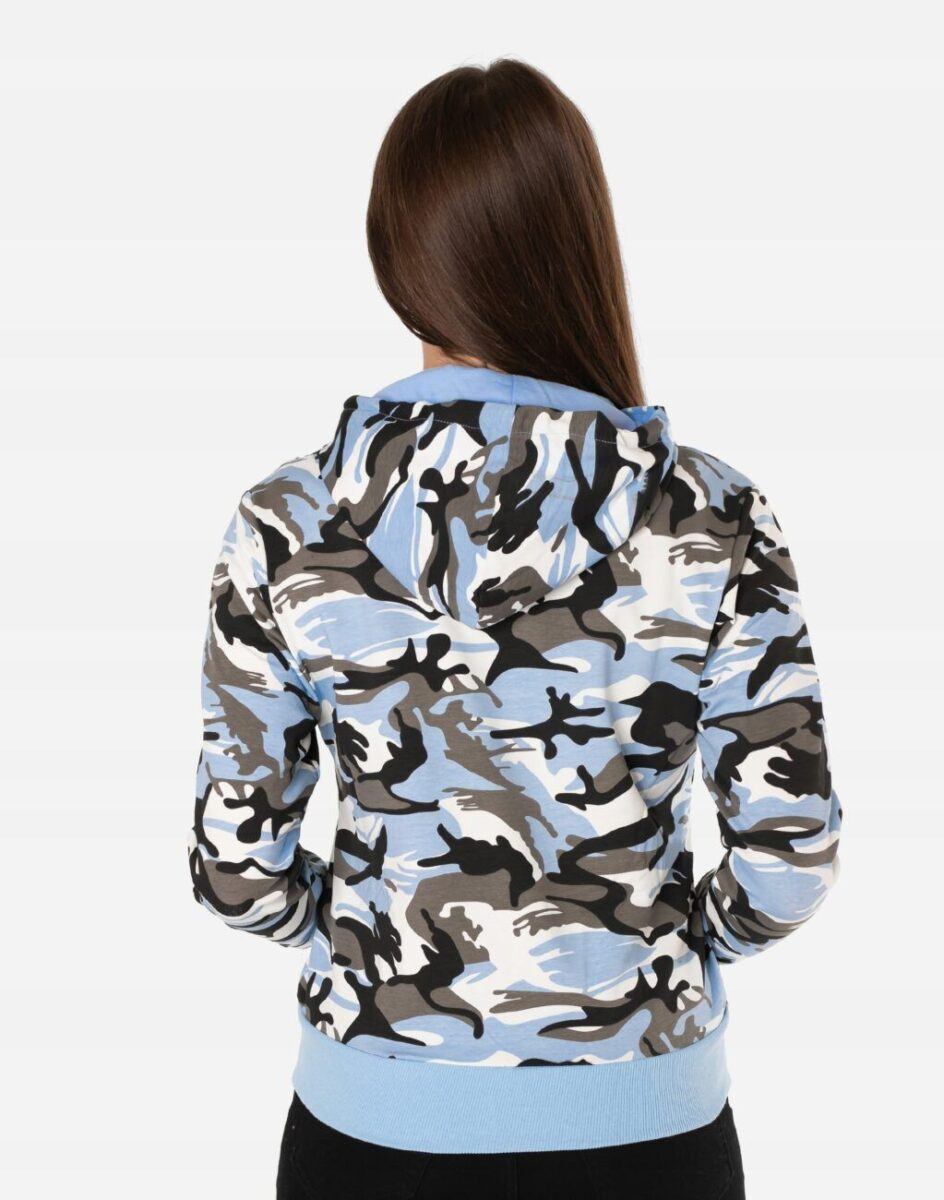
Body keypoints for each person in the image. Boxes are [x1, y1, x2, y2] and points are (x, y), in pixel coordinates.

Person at [188, 59, 841, 1199]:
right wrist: (670, 946)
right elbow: (789, 854)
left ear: (396, 261)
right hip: (647, 1130)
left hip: (370, 1129)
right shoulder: (710, 515)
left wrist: (356, 936)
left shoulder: (287, 522)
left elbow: (237, 867)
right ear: (577, 245)